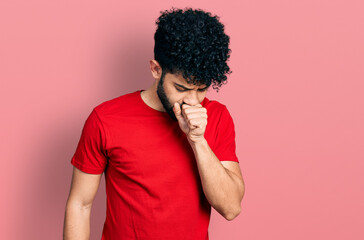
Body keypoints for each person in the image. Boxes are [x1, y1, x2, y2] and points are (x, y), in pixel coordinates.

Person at [63, 7, 245, 240]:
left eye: (201, 89)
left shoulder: (217, 117)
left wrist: (198, 141)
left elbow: (231, 208)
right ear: (156, 69)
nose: (192, 101)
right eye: (181, 88)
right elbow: (80, 204)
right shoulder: (105, 119)